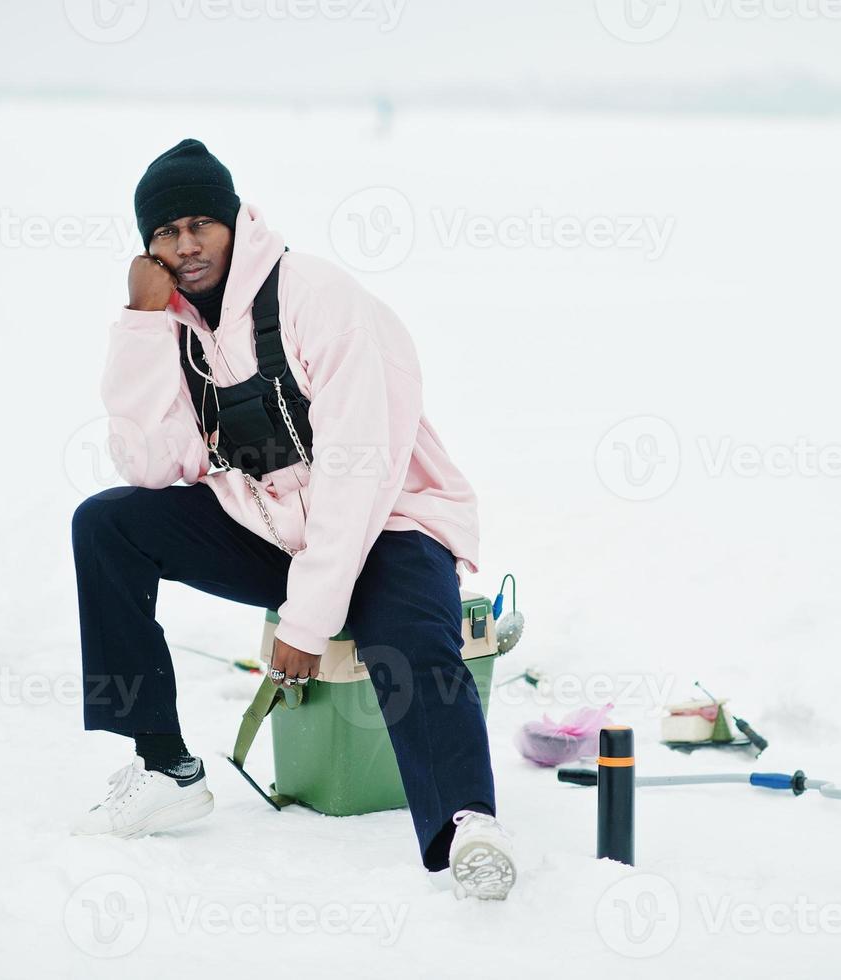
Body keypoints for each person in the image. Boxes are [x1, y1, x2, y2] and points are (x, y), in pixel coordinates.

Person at [68, 139, 517, 900]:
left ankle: (468, 823)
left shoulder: (319, 298)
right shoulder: (173, 326)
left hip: (390, 521)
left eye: (201, 224)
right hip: (273, 529)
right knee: (107, 525)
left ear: (236, 221)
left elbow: (359, 471)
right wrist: (141, 324)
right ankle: (165, 765)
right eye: (165, 233)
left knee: (407, 638)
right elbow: (152, 466)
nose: (185, 246)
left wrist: (305, 624)